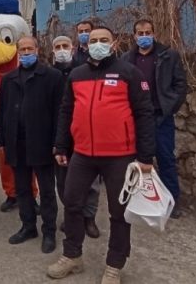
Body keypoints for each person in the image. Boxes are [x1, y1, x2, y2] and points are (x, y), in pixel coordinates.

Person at [48, 26, 155, 284]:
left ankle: (114, 265)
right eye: (93, 40)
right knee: (72, 204)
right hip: (83, 154)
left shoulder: (129, 73)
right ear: (84, 44)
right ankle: (72, 256)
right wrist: (61, 146)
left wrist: (145, 157)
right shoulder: (76, 75)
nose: (97, 44)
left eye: (103, 40)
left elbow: (145, 115)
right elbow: (66, 111)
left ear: (114, 42)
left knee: (119, 213)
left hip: (120, 155)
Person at [0, 36, 63, 253]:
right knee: (23, 188)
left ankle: (49, 231)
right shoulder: (9, 79)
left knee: (46, 190)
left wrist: (58, 143)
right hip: (17, 142)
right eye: (22, 50)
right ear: (17, 52)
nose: (26, 53)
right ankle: (28, 226)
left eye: (29, 49)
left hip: (42, 143)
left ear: (37, 50)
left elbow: (60, 112)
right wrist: (0, 140)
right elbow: (1, 111)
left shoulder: (52, 76)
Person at [122, 19, 188, 218]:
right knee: (131, 160)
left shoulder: (168, 55)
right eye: (140, 33)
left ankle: (171, 202)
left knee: (165, 158)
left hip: (160, 117)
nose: (144, 37)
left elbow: (180, 85)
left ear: (154, 33)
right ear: (134, 36)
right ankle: (131, 198)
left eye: (147, 32)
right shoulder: (126, 59)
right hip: (135, 117)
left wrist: (170, 107)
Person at [52, 36, 101, 239]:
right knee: (63, 182)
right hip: (60, 136)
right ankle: (72, 214)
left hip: (85, 134)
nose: (62, 50)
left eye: (65, 46)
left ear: (73, 49)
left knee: (90, 181)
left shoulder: (84, 72)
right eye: (58, 47)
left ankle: (89, 218)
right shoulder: (49, 75)